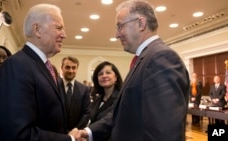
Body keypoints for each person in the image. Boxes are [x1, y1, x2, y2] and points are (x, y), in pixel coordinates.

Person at [76, 1, 190, 141]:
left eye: (120, 26)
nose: (117, 34)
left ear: (141, 24)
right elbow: (121, 114)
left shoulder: (160, 58)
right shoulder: (143, 60)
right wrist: (89, 132)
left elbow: (164, 132)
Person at [0, 4, 78, 141]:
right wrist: (69, 140)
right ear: (37, 29)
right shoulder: (16, 66)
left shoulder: (45, 67)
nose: (64, 35)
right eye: (59, 28)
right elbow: (18, 134)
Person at [89, 61, 123, 141]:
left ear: (116, 77)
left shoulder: (121, 98)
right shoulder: (97, 99)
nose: (104, 76)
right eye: (100, 74)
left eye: (108, 72)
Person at [60, 56, 91, 131]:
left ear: (77, 69)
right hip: (56, 133)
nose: (71, 71)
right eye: (67, 67)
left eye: (74, 68)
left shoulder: (84, 89)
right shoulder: (53, 86)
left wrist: (76, 129)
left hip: (76, 133)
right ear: (62, 68)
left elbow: (86, 113)